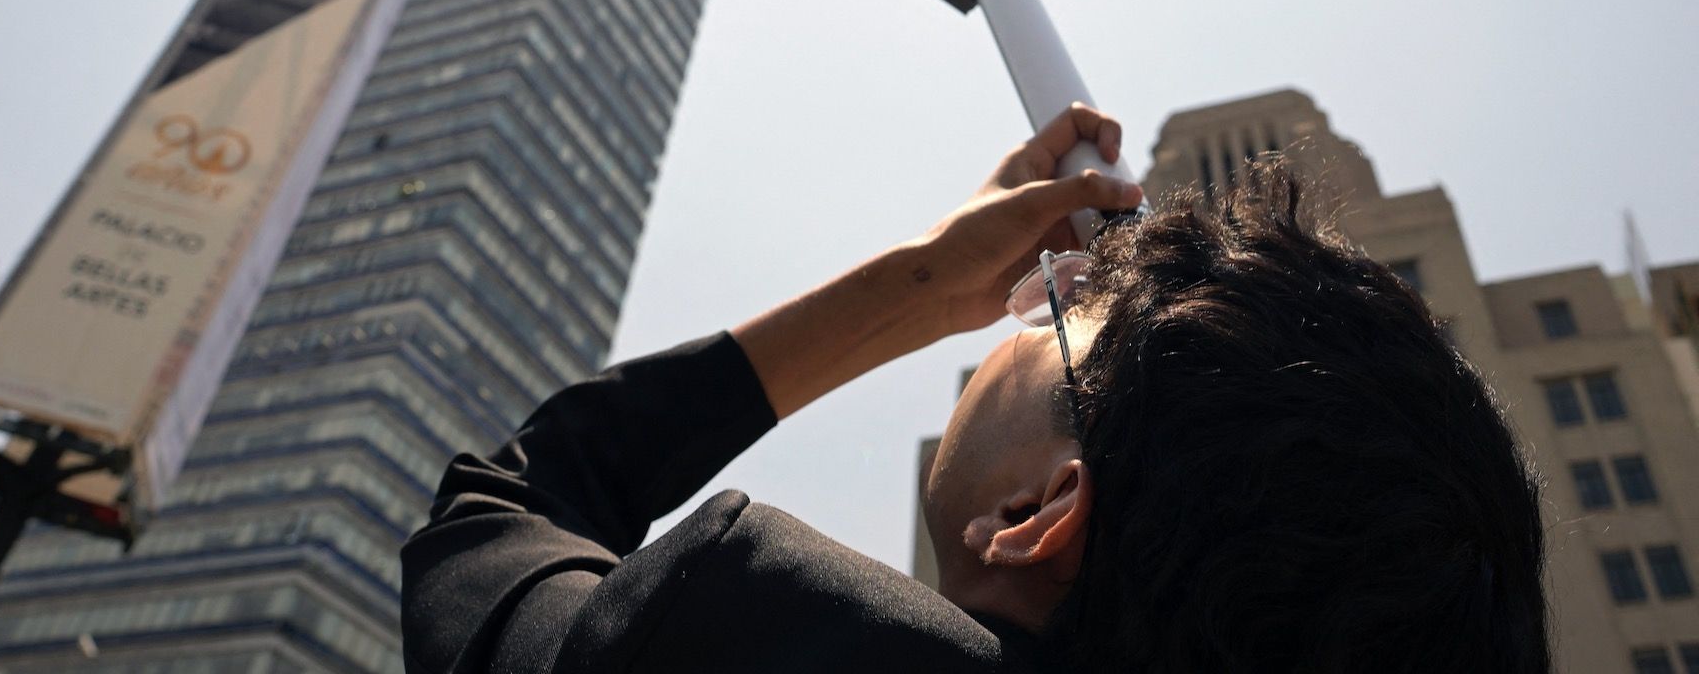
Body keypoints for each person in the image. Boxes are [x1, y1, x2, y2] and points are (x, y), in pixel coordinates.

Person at [401, 104, 1550, 672]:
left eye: (1054, 312)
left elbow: (503, 513)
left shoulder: (760, 631)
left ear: (1035, 516)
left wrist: (917, 285)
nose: (1014, 310)